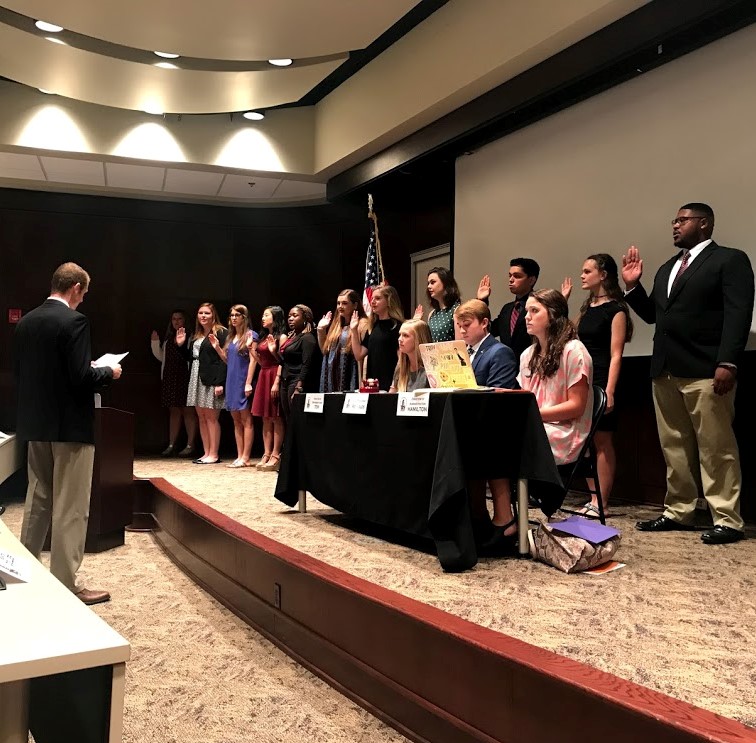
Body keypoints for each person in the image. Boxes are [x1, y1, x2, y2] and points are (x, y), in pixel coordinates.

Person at [622, 203, 754, 545]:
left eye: (682, 220)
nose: (675, 226)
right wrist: (634, 288)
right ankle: (679, 511)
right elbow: (654, 317)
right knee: (674, 445)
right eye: (674, 221)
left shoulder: (730, 259)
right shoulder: (668, 268)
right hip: (665, 369)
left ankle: (727, 518)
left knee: (716, 446)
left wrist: (728, 362)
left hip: (706, 368)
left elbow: (738, 314)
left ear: (704, 223)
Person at [14, 262, 122, 605]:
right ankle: (65, 583)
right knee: (71, 506)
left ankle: (23, 573)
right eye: (84, 293)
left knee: (38, 498)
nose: (83, 300)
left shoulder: (27, 322)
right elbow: (79, 377)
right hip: (70, 426)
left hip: (35, 423)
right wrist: (108, 371)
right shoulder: (74, 321)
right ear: (75, 287)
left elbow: (31, 373)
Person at [561, 254, 632, 517]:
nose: (582, 275)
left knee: (601, 440)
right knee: (585, 441)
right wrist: (563, 302)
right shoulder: (587, 307)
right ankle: (592, 498)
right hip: (583, 378)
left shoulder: (616, 309)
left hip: (603, 379)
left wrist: (610, 391)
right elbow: (570, 338)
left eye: (587, 271)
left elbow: (616, 354)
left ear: (603, 275)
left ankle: (601, 502)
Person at [453, 300, 518, 552]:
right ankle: (474, 515)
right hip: (471, 422)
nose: (462, 331)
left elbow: (498, 397)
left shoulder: (498, 351)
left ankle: (502, 519)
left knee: (473, 447)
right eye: (458, 326)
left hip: (494, 425)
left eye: (466, 325)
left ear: (484, 323)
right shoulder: (466, 352)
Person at [519, 289, 593, 469]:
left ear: (553, 315)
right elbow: (526, 398)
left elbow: (576, 406)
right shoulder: (527, 355)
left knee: (514, 439)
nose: (527, 317)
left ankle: (526, 495)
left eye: (534, 311)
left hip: (565, 432)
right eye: (527, 311)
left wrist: (533, 415)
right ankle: (510, 497)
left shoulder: (574, 351)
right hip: (538, 425)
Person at [177, 303, 228, 464]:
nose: (203, 316)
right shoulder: (197, 334)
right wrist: (181, 346)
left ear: (214, 315)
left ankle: (214, 453)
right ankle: (206, 453)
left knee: (212, 417)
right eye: (200, 313)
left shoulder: (221, 332)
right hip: (196, 376)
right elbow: (191, 357)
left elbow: (224, 360)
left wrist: (220, 382)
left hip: (212, 378)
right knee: (202, 416)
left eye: (207, 313)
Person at [211, 305, 257, 468]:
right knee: (236, 420)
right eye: (231, 315)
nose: (234, 318)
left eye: (237, 315)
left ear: (244, 317)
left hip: (242, 380)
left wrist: (248, 383)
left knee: (246, 419)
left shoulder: (251, 335)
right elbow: (229, 361)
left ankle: (246, 457)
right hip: (231, 381)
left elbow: (253, 360)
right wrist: (217, 348)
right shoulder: (231, 338)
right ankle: (239, 456)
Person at [150, 310, 198, 457]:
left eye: (180, 319)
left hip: (185, 376)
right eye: (174, 319)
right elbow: (161, 357)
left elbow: (190, 357)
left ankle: (190, 444)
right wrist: (154, 343)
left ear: (185, 321)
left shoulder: (191, 338)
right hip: (170, 377)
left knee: (188, 410)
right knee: (174, 411)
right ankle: (172, 444)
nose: (176, 321)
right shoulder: (168, 339)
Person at [477, 258, 540, 358]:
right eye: (510, 276)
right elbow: (489, 330)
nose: (511, 280)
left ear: (531, 280)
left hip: (531, 363)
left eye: (517, 276)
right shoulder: (507, 309)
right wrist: (482, 301)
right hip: (506, 365)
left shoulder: (539, 307)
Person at [252, 306, 287, 471]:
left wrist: (277, 381)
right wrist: (253, 354)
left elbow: (282, 360)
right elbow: (261, 361)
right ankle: (266, 452)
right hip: (264, 374)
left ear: (275, 317)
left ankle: (275, 453)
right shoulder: (264, 336)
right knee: (265, 417)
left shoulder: (282, 336)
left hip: (275, 374)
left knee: (276, 416)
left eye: (267, 315)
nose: (263, 318)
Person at [351, 285, 404, 391]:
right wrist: (353, 330)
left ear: (389, 301)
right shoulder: (373, 326)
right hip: (374, 385)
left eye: (378, 298)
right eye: (372, 298)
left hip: (391, 386)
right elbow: (359, 354)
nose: (373, 302)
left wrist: (394, 385)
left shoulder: (398, 327)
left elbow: (401, 361)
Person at [317, 289, 368, 392]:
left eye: (344, 303)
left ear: (355, 305)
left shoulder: (362, 323)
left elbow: (362, 352)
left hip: (350, 371)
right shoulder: (336, 324)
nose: (340, 306)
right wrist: (321, 330)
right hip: (332, 373)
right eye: (338, 303)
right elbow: (325, 350)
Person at [278, 305, 321, 423]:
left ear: (305, 318)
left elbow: (306, 364)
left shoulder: (308, 338)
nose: (290, 318)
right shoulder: (292, 337)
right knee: (288, 419)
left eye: (295, 315)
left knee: (297, 419)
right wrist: (273, 351)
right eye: (289, 316)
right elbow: (284, 361)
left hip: (296, 382)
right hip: (285, 380)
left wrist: (298, 387)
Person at [389, 319, 431, 392]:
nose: (400, 339)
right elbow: (391, 398)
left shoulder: (432, 369)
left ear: (418, 338)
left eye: (405, 335)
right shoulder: (400, 367)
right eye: (400, 335)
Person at [423, 267, 461, 342]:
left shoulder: (457, 310)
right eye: (428, 283)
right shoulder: (432, 314)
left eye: (433, 282)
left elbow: (459, 345)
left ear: (445, 283)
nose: (428, 286)